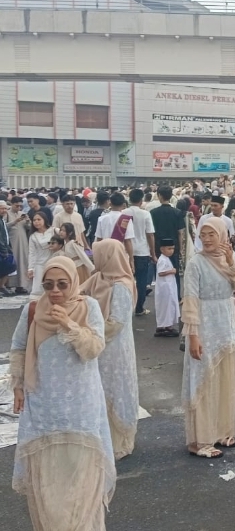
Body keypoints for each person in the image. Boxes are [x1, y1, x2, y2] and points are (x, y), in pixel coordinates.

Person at [10, 257, 115, 529]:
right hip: (44, 407)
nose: (55, 291)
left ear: (73, 282)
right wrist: (18, 386)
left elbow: (93, 349)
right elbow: (20, 348)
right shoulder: (33, 310)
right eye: (48, 285)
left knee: (83, 478)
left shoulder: (88, 307)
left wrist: (69, 324)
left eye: (62, 284)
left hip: (82, 406)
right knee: (49, 480)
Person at [182, 217, 235, 458]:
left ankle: (222, 431)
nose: (207, 239)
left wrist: (232, 260)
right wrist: (193, 336)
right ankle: (200, 440)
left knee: (225, 378)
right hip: (204, 325)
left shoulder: (228, 259)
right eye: (203, 234)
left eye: (212, 234)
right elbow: (190, 301)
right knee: (204, 380)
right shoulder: (195, 263)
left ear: (223, 236)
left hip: (225, 324)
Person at [81, 240, 140, 460]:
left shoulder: (121, 285)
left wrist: (87, 333)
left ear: (107, 257)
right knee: (99, 389)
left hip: (114, 348)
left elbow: (116, 322)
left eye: (97, 255)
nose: (94, 258)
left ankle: (118, 439)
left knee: (115, 388)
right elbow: (79, 294)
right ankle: (99, 436)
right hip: (98, 346)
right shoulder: (100, 277)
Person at [151, 185, 186, 297]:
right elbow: (180, 233)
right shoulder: (177, 212)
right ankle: (176, 295)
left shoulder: (153, 213)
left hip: (159, 247)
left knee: (160, 272)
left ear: (159, 196)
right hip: (173, 247)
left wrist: (151, 250)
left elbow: (151, 233)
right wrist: (180, 248)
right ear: (171, 196)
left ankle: (162, 295)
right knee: (174, 271)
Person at [127, 189, 156, 317]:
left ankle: (126, 307)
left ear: (129, 199)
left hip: (126, 251)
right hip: (142, 251)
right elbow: (150, 235)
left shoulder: (123, 213)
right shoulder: (145, 214)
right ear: (141, 200)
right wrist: (153, 253)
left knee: (125, 280)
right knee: (141, 280)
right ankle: (139, 307)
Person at [7, 197, 32, 294]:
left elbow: (29, 228)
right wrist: (15, 221)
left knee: (22, 263)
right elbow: (5, 226)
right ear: (12, 204)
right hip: (12, 243)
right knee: (13, 263)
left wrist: (27, 221)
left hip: (23, 242)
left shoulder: (23, 214)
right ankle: (9, 285)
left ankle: (21, 285)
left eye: (20, 206)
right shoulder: (7, 213)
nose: (18, 208)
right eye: (16, 205)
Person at [27, 211, 54, 300]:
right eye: (34, 220)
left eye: (39, 219)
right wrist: (30, 268)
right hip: (39, 264)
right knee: (38, 288)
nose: (36, 222)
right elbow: (32, 253)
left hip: (53, 262)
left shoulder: (54, 231)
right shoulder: (33, 236)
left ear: (44, 220)